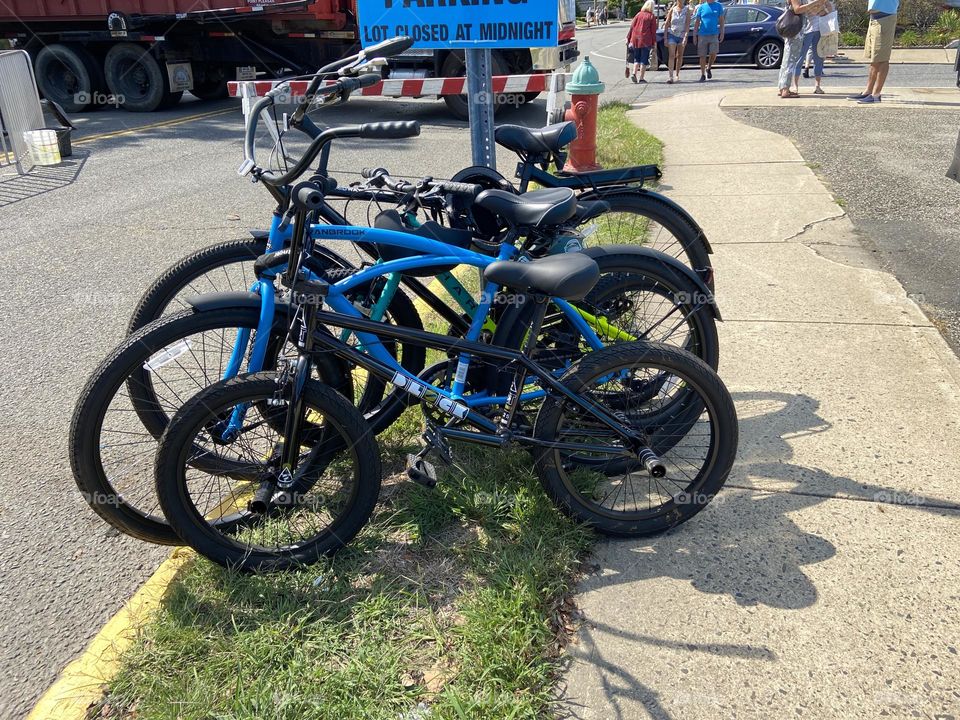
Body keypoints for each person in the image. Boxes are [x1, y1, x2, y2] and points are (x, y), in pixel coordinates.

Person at [850, 0, 898, 103]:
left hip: (885, 18)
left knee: (882, 58)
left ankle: (876, 95)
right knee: (874, 58)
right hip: (874, 19)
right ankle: (868, 91)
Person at [777, 0, 826, 98]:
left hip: (794, 30)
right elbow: (797, 9)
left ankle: (782, 88)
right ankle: (785, 90)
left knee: (787, 59)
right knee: (790, 60)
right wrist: (814, 3)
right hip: (795, 31)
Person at [794, 1, 832, 94]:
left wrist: (822, 11)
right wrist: (814, 7)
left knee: (819, 58)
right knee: (800, 57)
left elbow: (829, 9)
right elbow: (800, 10)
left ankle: (817, 86)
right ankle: (795, 85)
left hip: (820, 30)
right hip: (806, 30)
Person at [692, 0, 725, 82]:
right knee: (702, 55)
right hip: (702, 34)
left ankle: (709, 67)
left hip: (714, 34)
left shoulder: (718, 6)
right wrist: (694, 35)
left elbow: (721, 21)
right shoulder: (701, 7)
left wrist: (722, 33)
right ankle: (702, 74)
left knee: (713, 53)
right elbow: (697, 22)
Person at [627, 0, 658, 83]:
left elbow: (632, 27)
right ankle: (641, 78)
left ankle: (634, 73)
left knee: (636, 58)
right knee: (644, 59)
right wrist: (654, 42)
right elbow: (653, 31)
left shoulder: (638, 15)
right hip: (646, 40)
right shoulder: (651, 17)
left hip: (635, 39)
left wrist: (628, 38)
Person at [665, 0, 693, 84]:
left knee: (680, 55)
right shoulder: (672, 10)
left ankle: (677, 73)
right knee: (672, 55)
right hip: (672, 35)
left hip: (682, 35)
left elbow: (687, 24)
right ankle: (670, 76)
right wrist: (665, 37)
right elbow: (667, 23)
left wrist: (685, 37)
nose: (681, 1)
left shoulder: (687, 10)